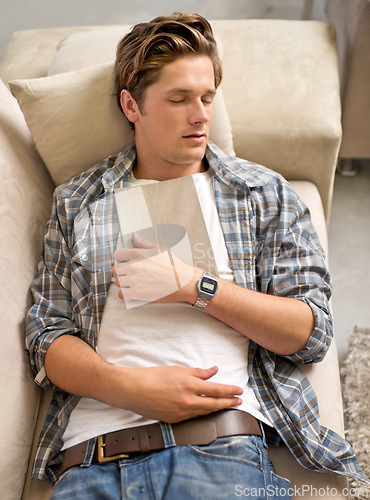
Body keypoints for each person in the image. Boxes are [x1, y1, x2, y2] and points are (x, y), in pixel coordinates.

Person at [26, 12, 368, 499]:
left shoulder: (262, 193)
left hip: (216, 452)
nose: (200, 114)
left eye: (207, 97)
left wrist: (195, 288)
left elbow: (310, 332)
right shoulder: (78, 200)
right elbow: (46, 337)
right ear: (132, 106)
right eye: (179, 99)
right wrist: (130, 390)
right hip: (93, 460)